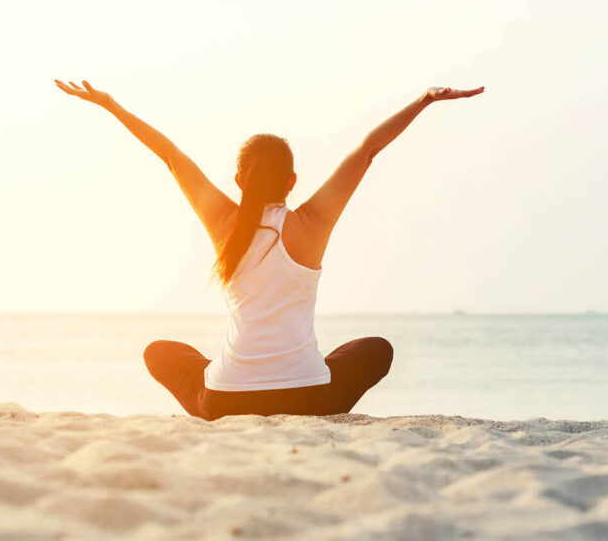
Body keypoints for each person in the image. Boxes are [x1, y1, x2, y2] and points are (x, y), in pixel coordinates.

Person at [55, 79, 484, 420]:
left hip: (224, 402)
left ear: (239, 181)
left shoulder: (223, 223)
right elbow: (367, 150)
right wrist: (423, 100)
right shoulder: (312, 222)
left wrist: (112, 106)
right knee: (377, 349)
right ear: (293, 181)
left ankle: (233, 372)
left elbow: (170, 156)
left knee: (160, 353)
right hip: (312, 398)